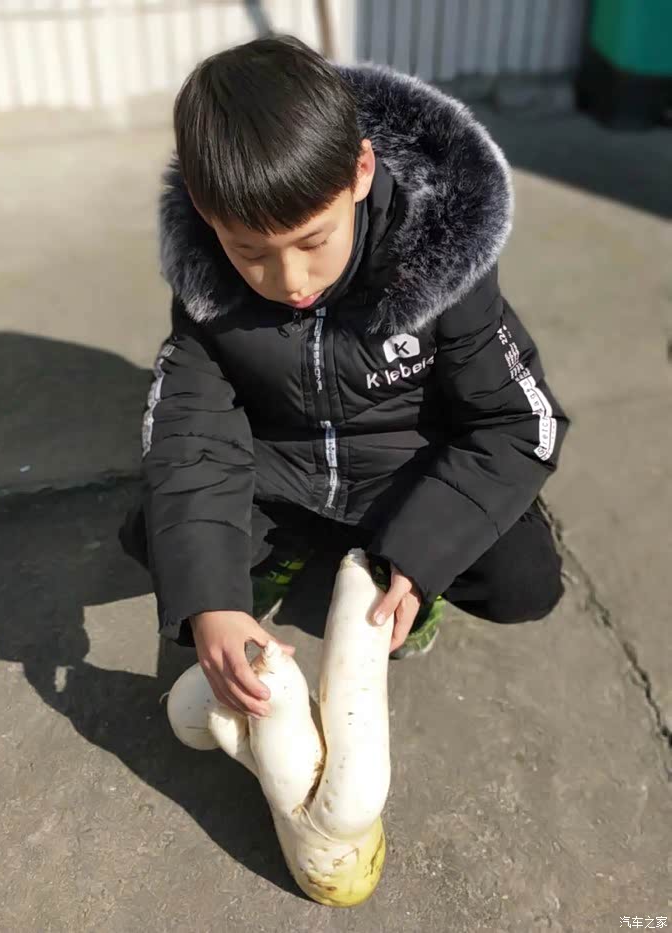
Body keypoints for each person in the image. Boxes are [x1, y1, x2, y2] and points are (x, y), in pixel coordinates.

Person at [120, 35, 569, 720]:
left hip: (404, 480)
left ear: (361, 171)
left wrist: (424, 554)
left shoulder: (441, 265)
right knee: (161, 537)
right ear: (207, 215)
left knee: (523, 580)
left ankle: (403, 577)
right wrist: (210, 602)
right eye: (250, 251)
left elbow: (519, 422)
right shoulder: (208, 285)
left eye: (312, 240)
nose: (290, 279)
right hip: (283, 478)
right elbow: (187, 433)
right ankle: (293, 550)